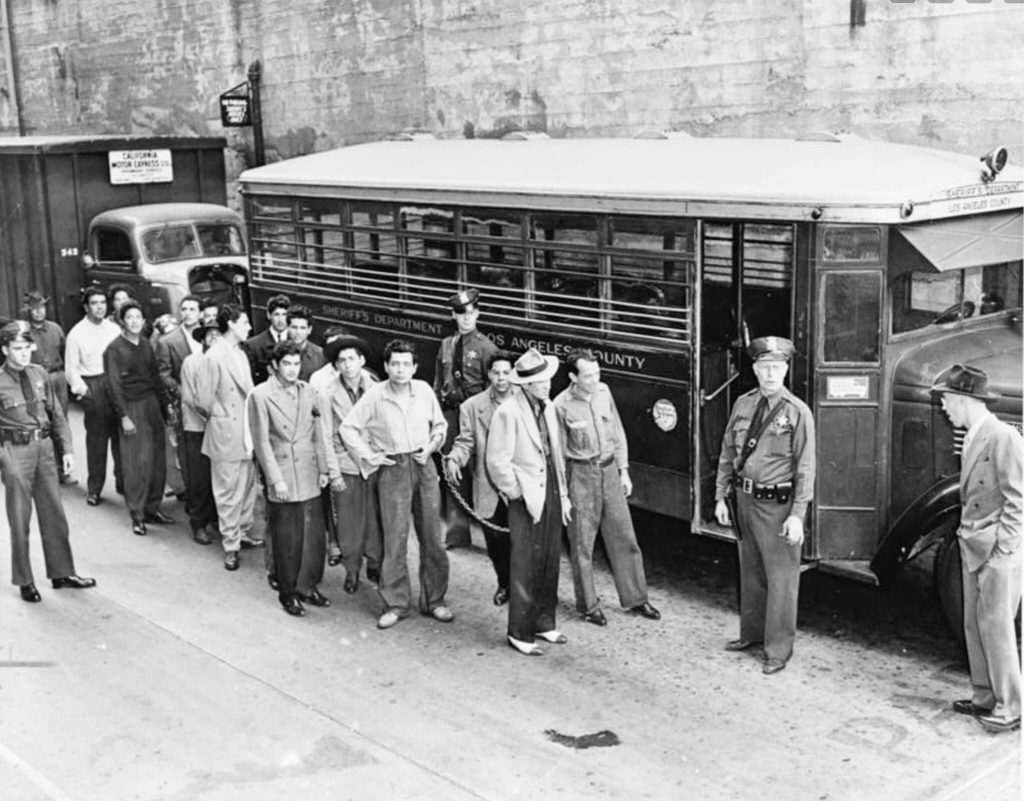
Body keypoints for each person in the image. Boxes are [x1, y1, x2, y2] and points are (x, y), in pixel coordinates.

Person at [714, 336, 815, 675]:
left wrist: (798, 516)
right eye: (764, 367)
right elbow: (729, 452)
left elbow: (806, 468)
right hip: (744, 499)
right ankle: (752, 635)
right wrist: (720, 496)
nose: (770, 373)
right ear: (755, 370)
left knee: (782, 579)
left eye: (777, 367)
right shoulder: (743, 404)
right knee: (751, 571)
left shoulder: (797, 412)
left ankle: (778, 650)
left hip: (778, 507)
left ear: (786, 369)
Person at [932, 363, 1022, 733]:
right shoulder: (971, 435)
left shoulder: (1003, 438)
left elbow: (1019, 501)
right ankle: (985, 695)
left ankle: (1011, 706)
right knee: (974, 625)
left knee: (997, 627)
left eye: (947, 402)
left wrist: (1003, 555)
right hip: (972, 545)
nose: (944, 409)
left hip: (996, 552)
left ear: (965, 400)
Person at [340, 339, 453, 630]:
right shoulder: (375, 395)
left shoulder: (425, 391)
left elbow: (440, 426)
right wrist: (370, 456)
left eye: (406, 364)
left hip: (423, 463)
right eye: (395, 364)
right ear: (387, 366)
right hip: (392, 470)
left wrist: (431, 447)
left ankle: (435, 600)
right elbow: (348, 428)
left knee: (432, 537)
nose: (400, 370)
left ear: (415, 367)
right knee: (395, 538)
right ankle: (396, 603)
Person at [553, 349, 661, 626]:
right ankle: (589, 606)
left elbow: (617, 433)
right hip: (580, 476)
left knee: (625, 537)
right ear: (572, 377)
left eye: (597, 373)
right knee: (582, 545)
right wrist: (564, 494)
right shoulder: (560, 405)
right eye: (588, 376)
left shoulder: (603, 392)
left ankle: (637, 598)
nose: (595, 379)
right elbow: (557, 454)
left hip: (610, 471)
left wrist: (624, 471)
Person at [0, 322, 96, 602]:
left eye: (26, 348)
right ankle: (25, 580)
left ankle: (62, 573)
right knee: (20, 518)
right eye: (16, 349)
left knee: (54, 512)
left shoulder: (40, 373)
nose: (23, 354)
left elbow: (57, 414)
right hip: (15, 451)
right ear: (5, 350)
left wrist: (66, 449)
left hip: (44, 449)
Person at [485, 348, 571, 657]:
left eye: (547, 379)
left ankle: (544, 622)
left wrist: (563, 493)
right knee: (524, 563)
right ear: (525, 385)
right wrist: (516, 492)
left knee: (549, 557)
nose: (547, 385)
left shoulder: (547, 407)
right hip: (526, 493)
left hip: (549, 488)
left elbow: (556, 456)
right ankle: (519, 632)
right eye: (539, 381)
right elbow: (497, 462)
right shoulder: (508, 411)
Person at [249, 341, 337, 617]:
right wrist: (276, 480)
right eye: (286, 364)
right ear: (275, 365)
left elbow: (318, 434)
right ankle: (288, 593)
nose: (291, 369)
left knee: (312, 536)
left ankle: (307, 586)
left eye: (296, 364)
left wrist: (323, 469)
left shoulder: (308, 391)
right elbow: (261, 442)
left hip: (309, 471)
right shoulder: (261, 395)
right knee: (287, 538)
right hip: (284, 473)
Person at [443, 351, 517, 606]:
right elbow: (466, 441)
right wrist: (454, 457)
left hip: (519, 484)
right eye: (496, 372)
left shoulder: (525, 400)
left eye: (506, 372)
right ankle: (505, 583)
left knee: (523, 540)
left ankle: (525, 588)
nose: (501, 378)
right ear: (488, 374)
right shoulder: (472, 407)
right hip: (489, 485)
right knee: (496, 541)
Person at [196, 303, 264, 571]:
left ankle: (243, 531)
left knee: (247, 487)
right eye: (245, 322)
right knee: (227, 492)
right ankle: (230, 545)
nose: (249, 326)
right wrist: (222, 418)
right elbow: (203, 400)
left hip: (246, 431)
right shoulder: (213, 356)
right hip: (226, 434)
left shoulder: (240, 353)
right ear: (232, 323)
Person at [434, 288, 498, 549]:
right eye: (461, 314)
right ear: (453, 316)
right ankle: (457, 533)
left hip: (476, 417)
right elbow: (439, 381)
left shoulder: (486, 348)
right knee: (453, 470)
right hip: (452, 414)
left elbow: (493, 388)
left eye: (471, 313)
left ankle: (492, 533)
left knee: (482, 472)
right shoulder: (447, 345)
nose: (466, 319)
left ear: (478, 314)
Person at [318, 335, 383, 592]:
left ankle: (375, 563)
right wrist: (333, 473)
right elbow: (324, 434)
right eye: (341, 360)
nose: (347, 365)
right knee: (348, 522)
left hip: (374, 462)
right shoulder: (327, 393)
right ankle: (352, 568)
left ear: (362, 361)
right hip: (345, 465)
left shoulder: (376, 387)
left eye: (351, 359)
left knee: (375, 519)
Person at [103, 301, 174, 536]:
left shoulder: (145, 345)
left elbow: (155, 378)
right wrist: (124, 416)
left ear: (144, 321)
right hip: (131, 407)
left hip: (151, 404)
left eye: (138, 317)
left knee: (157, 459)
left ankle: (153, 507)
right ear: (122, 320)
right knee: (137, 462)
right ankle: (137, 514)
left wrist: (165, 409)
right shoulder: (114, 349)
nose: (134, 321)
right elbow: (114, 386)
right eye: (129, 317)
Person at [64, 286, 123, 505]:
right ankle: (95, 488)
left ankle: (123, 482)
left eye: (102, 303)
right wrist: (84, 391)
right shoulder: (77, 334)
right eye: (94, 303)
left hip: (115, 383)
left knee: (121, 437)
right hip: (93, 385)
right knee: (97, 441)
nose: (99, 307)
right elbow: (71, 370)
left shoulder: (114, 329)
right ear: (86, 307)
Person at [21, 290, 75, 485]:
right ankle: (42, 471)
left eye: (42, 308)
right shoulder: (24, 332)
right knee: (39, 422)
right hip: (35, 381)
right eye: (35, 309)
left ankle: (63, 469)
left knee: (60, 421)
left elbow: (65, 352)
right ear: (28, 311)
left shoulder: (55, 329)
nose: (39, 312)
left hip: (56, 377)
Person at [155, 296, 203, 502]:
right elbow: (163, 374)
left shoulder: (210, 337)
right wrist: (182, 391)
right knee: (188, 452)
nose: (188, 313)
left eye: (193, 309)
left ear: (200, 313)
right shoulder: (167, 341)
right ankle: (192, 493)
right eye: (184, 309)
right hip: (184, 404)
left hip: (211, 403)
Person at [179, 322, 220, 545]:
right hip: (198, 426)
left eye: (218, 335)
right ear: (202, 339)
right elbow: (188, 396)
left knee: (219, 475)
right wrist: (208, 415)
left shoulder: (226, 360)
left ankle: (218, 520)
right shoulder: (191, 362)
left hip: (222, 429)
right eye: (210, 335)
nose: (213, 338)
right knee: (199, 478)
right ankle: (199, 523)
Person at [243, 294, 290, 386]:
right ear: (269, 315)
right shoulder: (253, 345)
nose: (280, 320)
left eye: (284, 314)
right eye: (276, 314)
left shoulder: (296, 341)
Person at [286, 305, 326, 382]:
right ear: (288, 328)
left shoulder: (320, 355)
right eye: (294, 327)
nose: (298, 332)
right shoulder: (278, 351)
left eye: (302, 328)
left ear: (309, 330)